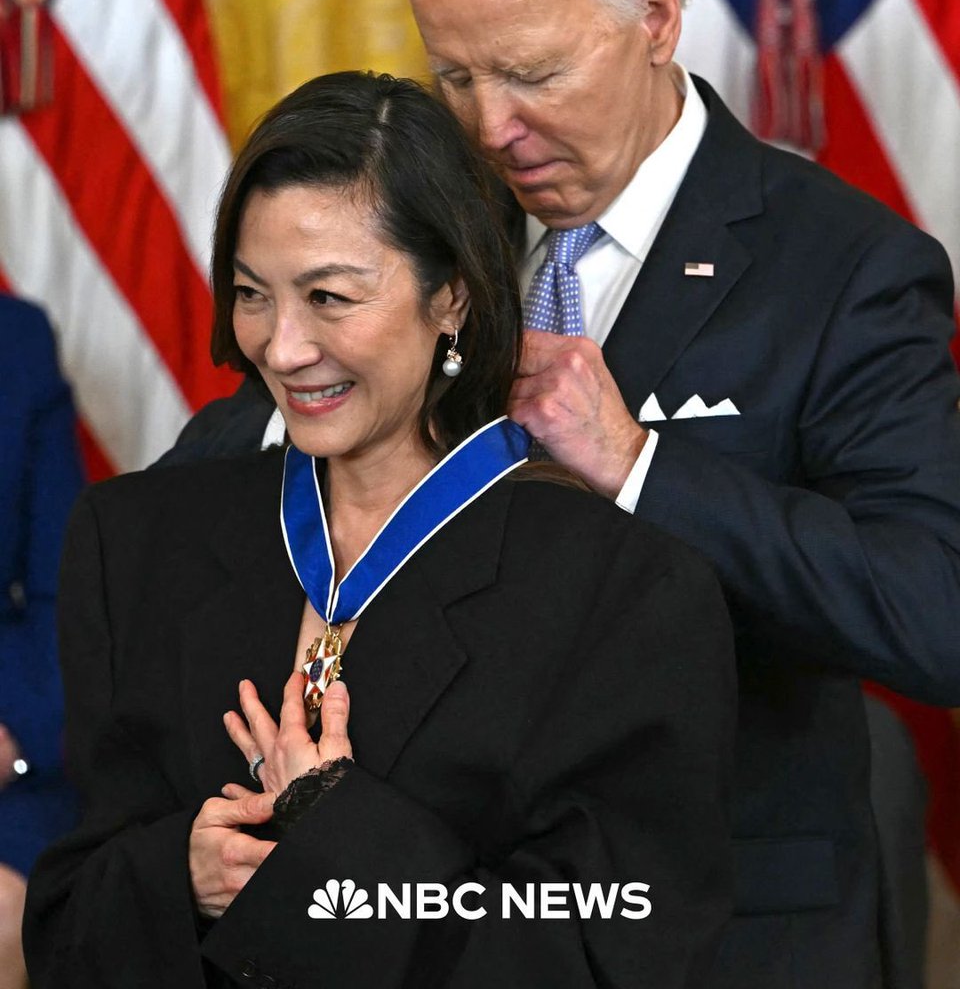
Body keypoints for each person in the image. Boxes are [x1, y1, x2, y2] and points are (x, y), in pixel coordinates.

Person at [161, 0, 960, 989]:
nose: (490, 128)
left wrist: (636, 467)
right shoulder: (439, 216)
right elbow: (230, 444)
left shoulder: (842, 265)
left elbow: (933, 609)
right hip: (438, 921)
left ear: (655, 15)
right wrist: (335, 400)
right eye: (456, 74)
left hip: (724, 934)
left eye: (532, 74)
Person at [24, 71, 735, 989]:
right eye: (252, 293)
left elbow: (614, 942)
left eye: (329, 297)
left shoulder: (627, 592)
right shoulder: (135, 542)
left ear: (454, 299)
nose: (281, 347)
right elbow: (65, 923)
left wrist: (336, 840)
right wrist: (181, 877)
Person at [0, 294, 84, 989]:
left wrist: (16, 737)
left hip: (6, 749)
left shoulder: (15, 339)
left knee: (10, 914)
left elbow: (64, 590)